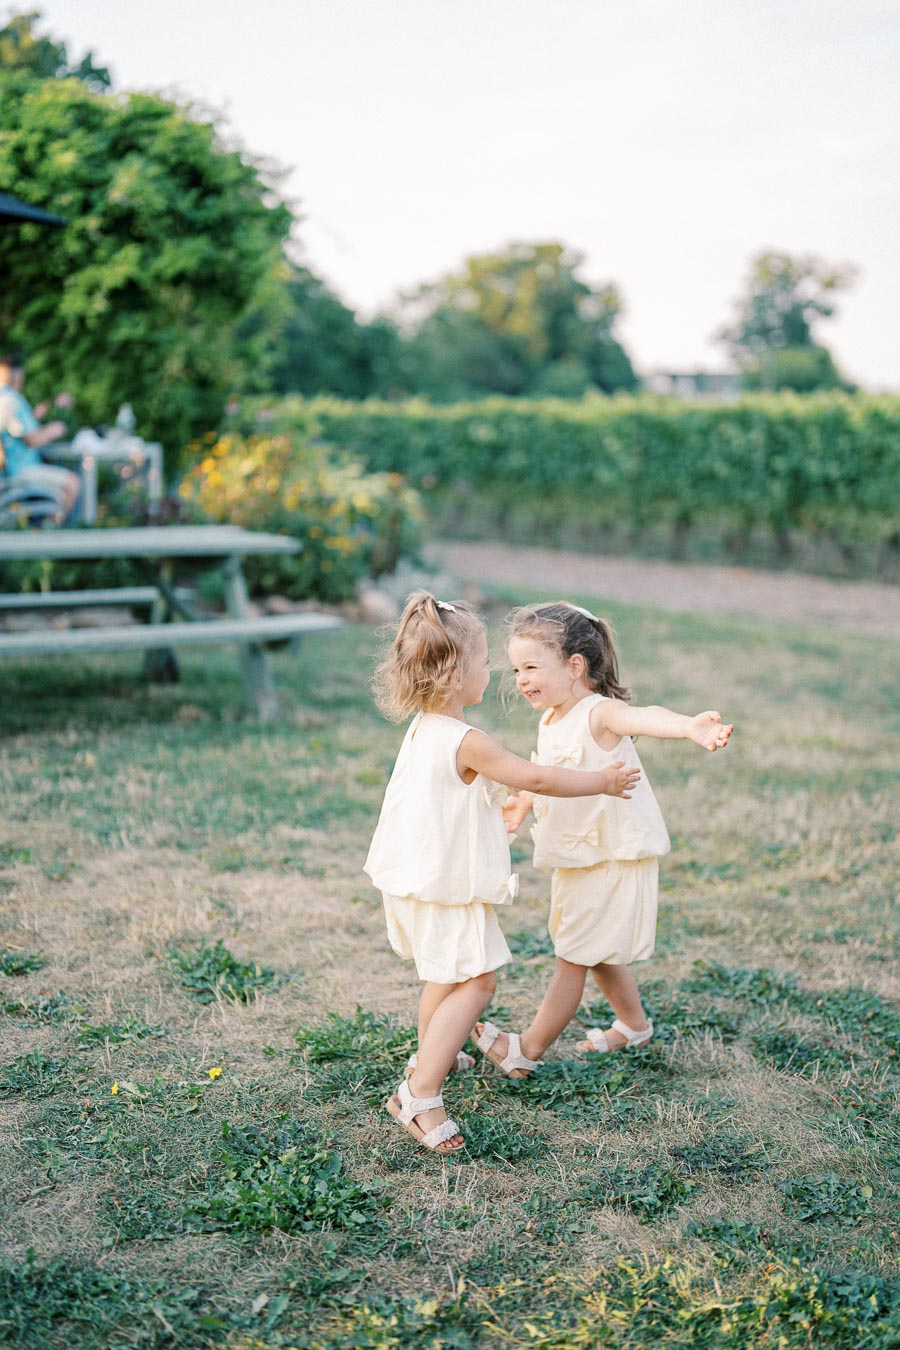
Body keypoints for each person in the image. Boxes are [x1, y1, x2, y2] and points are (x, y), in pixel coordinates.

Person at [364, 592, 641, 1155]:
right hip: (446, 889)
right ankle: (419, 1095)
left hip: (413, 880)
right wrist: (602, 782)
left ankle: (430, 1053)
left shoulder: (423, 729)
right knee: (478, 982)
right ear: (453, 673)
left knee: (443, 980)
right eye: (485, 660)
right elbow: (536, 777)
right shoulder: (468, 741)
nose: (491, 671)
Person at [476, 601, 733, 1077]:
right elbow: (555, 772)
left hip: (610, 856)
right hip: (580, 856)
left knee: (572, 956)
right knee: (591, 949)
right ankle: (634, 1026)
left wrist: (688, 727)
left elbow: (644, 717)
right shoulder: (552, 717)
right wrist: (525, 801)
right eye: (516, 669)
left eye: (531, 666)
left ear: (575, 666)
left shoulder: (598, 712)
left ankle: (526, 1051)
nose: (520, 678)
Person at [0, 353, 80, 523]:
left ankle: (48, 528)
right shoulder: (12, 400)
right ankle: (56, 533)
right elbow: (31, 440)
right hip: (22, 470)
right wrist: (54, 430)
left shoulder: (4, 398)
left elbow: (16, 432)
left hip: (13, 470)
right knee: (73, 483)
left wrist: (36, 416)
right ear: (18, 376)